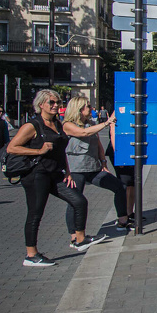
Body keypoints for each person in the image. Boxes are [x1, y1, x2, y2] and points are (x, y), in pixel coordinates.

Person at [8, 89, 107, 268]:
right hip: (36, 175)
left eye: (58, 102)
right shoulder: (33, 126)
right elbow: (12, 148)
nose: (56, 106)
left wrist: (67, 171)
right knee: (35, 213)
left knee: (79, 201)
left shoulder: (58, 124)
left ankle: (80, 239)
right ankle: (31, 254)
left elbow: (62, 151)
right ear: (41, 105)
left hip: (56, 174)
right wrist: (38, 151)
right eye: (51, 103)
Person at [62, 96, 130, 239]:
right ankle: (74, 234)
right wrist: (106, 123)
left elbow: (98, 143)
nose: (91, 109)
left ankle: (123, 220)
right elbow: (83, 133)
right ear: (79, 109)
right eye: (88, 106)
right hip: (76, 169)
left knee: (119, 187)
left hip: (93, 168)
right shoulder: (68, 125)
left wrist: (103, 162)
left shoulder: (90, 123)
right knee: (75, 200)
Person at [0, 103, 11, 189]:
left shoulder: (2, 123)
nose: (0, 113)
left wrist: (8, 145)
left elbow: (6, 136)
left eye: (2, 112)